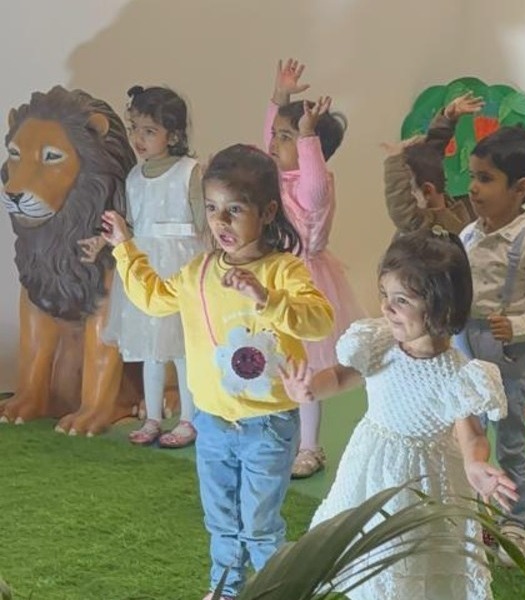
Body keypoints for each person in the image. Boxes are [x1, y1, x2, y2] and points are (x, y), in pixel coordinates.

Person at [100, 144, 334, 600]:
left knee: (260, 525)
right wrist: (124, 248)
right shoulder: (198, 271)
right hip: (211, 423)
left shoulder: (283, 270)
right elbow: (153, 299)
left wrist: (266, 298)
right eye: (211, 208)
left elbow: (319, 320)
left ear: (268, 212)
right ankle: (224, 590)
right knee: (221, 520)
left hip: (268, 424)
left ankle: (276, 591)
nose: (220, 221)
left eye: (235, 210)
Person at [281, 228, 517, 600]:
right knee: (363, 552)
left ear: (441, 308)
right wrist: (310, 388)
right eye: (384, 295)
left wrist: (475, 465)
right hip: (370, 468)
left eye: (401, 300)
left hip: (422, 483)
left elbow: (470, 433)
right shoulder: (378, 344)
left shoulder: (457, 375)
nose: (386, 308)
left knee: (412, 561)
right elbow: (341, 376)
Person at [456, 126, 525, 563]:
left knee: (510, 442)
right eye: (472, 176)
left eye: (485, 179)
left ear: (520, 188)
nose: (473, 187)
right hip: (463, 348)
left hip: (506, 358)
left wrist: (518, 325)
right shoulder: (468, 234)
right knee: (466, 434)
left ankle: (515, 521)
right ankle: (469, 512)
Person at [82, 85, 207, 448]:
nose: (138, 138)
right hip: (143, 266)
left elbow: (204, 224)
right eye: (135, 128)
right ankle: (153, 417)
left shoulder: (190, 171)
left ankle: (189, 419)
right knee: (151, 348)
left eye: (149, 131)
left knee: (182, 349)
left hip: (181, 266)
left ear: (175, 135)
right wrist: (105, 241)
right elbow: (135, 226)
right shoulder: (134, 178)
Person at [265, 58, 365, 478]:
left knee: (305, 368)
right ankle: (274, 438)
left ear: (312, 150)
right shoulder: (274, 176)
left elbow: (315, 183)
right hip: (271, 279)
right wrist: (280, 97)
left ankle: (309, 447)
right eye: (277, 135)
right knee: (272, 363)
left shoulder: (314, 187)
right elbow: (268, 142)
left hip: (305, 282)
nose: (275, 143)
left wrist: (306, 136)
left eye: (286, 137)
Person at [383, 92, 482, 236]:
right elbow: (429, 157)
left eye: (409, 191)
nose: (407, 197)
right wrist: (446, 120)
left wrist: (394, 160)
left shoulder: (424, 226)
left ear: (427, 191)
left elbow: (401, 207)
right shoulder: (448, 209)